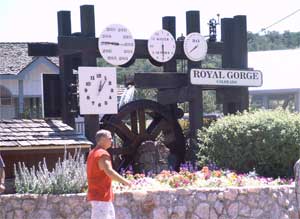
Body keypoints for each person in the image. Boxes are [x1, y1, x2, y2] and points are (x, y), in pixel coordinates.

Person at [87, 129, 131, 219]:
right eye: (110, 138)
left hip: (96, 195)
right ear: (102, 139)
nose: (112, 140)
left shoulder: (92, 153)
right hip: (102, 195)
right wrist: (125, 181)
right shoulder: (102, 154)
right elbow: (109, 172)